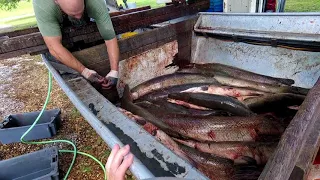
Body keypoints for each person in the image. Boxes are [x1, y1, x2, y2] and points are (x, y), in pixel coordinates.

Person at [33, 0, 119, 88]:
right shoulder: (43, 6)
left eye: (80, 11)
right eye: (74, 14)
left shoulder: (96, 2)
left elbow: (109, 37)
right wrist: (84, 71)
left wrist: (114, 71)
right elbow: (54, 47)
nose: (78, 16)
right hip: (58, 21)